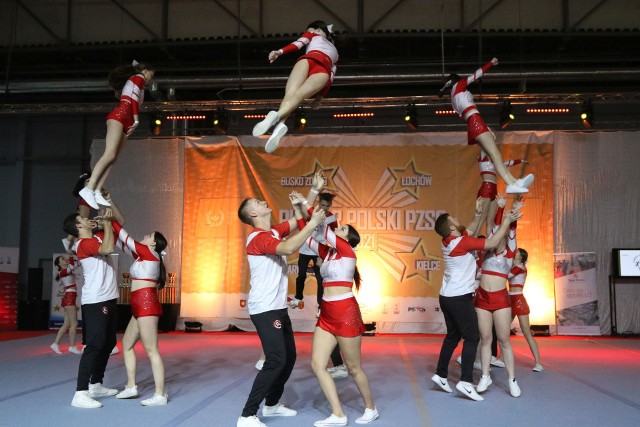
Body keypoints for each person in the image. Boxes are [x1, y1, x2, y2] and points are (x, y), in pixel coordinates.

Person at [236, 193, 327, 427]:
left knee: (289, 357)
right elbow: (287, 248)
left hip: (277, 307)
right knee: (276, 359)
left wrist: (311, 194)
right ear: (253, 214)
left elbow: (299, 221)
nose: (262, 201)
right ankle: (247, 415)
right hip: (265, 309)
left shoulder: (274, 230)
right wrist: (314, 223)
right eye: (256, 202)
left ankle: (272, 404)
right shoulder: (258, 238)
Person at [290, 193, 378, 426]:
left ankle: (371, 408)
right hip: (327, 313)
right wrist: (297, 209)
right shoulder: (328, 253)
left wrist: (307, 202)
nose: (338, 229)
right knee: (318, 365)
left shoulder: (348, 252)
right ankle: (338, 413)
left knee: (353, 367)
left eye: (343, 229)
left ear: (348, 238)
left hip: (346, 313)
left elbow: (319, 224)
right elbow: (307, 235)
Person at [431, 198, 521, 402]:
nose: (457, 218)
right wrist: (506, 220)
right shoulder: (461, 243)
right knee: (473, 338)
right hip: (459, 298)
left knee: (452, 337)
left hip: (446, 296)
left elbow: (470, 231)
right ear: (452, 227)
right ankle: (465, 381)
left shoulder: (448, 240)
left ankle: (441, 374)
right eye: (454, 219)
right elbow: (490, 242)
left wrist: (478, 214)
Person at [439, 58, 534, 194]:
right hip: (475, 122)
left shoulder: (453, 100)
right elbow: (476, 75)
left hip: (473, 123)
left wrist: (485, 127)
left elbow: (468, 114)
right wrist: (491, 63)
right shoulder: (458, 86)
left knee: (494, 155)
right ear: (456, 81)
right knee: (495, 154)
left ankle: (514, 182)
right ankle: (511, 183)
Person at [63, 202, 123, 409]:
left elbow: (120, 223)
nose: (88, 219)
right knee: (95, 345)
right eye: (83, 220)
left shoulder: (96, 236)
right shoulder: (84, 244)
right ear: (79, 228)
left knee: (108, 344)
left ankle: (96, 383)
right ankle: (80, 392)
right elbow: (108, 248)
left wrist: (110, 205)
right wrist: (106, 223)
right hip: (95, 301)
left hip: (109, 297)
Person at [252, 21, 338, 153]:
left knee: (290, 94)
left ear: (318, 30)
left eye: (313, 30)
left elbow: (298, 44)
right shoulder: (336, 54)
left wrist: (279, 52)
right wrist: (320, 97)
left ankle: (276, 118)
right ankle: (279, 124)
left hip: (308, 60)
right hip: (323, 70)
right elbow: (331, 76)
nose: (312, 32)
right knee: (299, 96)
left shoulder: (313, 35)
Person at [79, 61, 155, 209]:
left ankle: (98, 190)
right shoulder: (138, 77)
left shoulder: (137, 83)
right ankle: (89, 188)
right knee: (109, 155)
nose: (152, 78)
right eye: (151, 74)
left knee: (113, 158)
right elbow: (132, 99)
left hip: (125, 119)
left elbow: (132, 97)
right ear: (146, 70)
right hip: (120, 116)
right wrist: (136, 118)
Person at [112, 219, 169, 406]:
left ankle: (160, 395)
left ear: (153, 243)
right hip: (137, 306)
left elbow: (125, 237)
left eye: (149, 236)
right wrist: (106, 226)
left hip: (146, 305)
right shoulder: (142, 256)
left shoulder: (149, 253)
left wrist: (111, 220)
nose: (145, 237)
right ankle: (131, 387)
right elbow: (119, 242)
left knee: (152, 350)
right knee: (126, 345)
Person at [474, 196, 524, 398]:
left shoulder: (511, 253)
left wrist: (512, 214)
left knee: (504, 340)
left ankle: (512, 380)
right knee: (485, 339)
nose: (498, 237)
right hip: (483, 299)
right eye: (496, 234)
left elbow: (510, 230)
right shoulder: (486, 252)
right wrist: (501, 209)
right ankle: (485, 376)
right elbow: (496, 227)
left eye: (502, 235)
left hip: (501, 300)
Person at [508, 248, 543, 372]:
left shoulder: (520, 267)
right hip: (510, 299)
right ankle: (502, 359)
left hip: (518, 301)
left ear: (521, 256)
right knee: (504, 332)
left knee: (526, 333)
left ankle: (538, 363)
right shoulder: (515, 265)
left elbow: (507, 275)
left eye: (517, 252)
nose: (514, 252)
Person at [476, 150, 527, 233]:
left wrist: (521, 161)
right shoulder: (483, 159)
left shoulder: (496, 165)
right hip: (486, 188)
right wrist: (491, 137)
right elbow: (484, 144)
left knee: (490, 221)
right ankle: (474, 240)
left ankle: (491, 243)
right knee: (482, 217)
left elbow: (508, 163)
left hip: (494, 190)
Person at [50, 255, 82, 355]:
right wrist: (71, 256)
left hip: (70, 298)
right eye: (62, 259)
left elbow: (79, 263)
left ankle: (55, 344)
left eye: (65, 258)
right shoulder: (62, 272)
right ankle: (72, 346)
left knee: (66, 324)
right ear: (59, 264)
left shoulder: (67, 270)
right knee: (74, 323)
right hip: (69, 298)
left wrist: (76, 257)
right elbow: (72, 267)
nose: (65, 259)